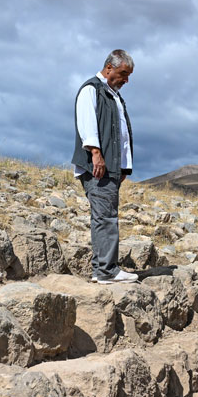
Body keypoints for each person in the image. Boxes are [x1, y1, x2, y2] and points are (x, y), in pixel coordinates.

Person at [72, 49, 138, 284]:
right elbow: (86, 122)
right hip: (97, 166)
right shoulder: (92, 89)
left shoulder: (113, 95)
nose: (126, 80)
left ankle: (102, 269)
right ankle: (106, 271)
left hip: (110, 166)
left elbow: (121, 134)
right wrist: (96, 154)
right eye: (123, 74)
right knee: (105, 217)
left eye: (128, 75)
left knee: (105, 215)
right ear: (109, 68)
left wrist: (122, 167)